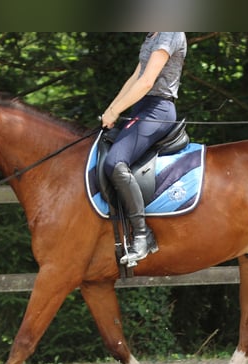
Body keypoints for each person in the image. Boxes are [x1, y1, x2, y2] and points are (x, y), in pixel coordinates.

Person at [101, 32, 187, 266]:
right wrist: (112, 107)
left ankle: (143, 235)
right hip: (140, 107)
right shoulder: (152, 35)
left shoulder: (170, 32)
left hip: (158, 110)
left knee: (115, 163)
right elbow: (135, 77)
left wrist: (116, 110)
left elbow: (148, 81)